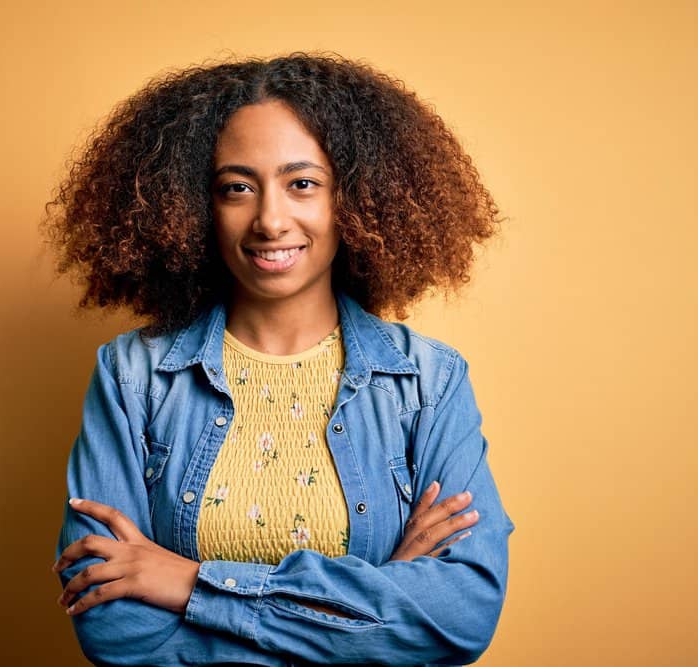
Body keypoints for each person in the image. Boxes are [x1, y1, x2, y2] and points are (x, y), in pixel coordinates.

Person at [43, 53, 514, 667]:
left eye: (302, 184)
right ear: (194, 206)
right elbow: (116, 630)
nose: (269, 219)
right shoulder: (133, 377)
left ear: (356, 200)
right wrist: (374, 607)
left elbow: (460, 614)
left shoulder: (427, 381)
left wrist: (190, 585)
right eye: (237, 187)